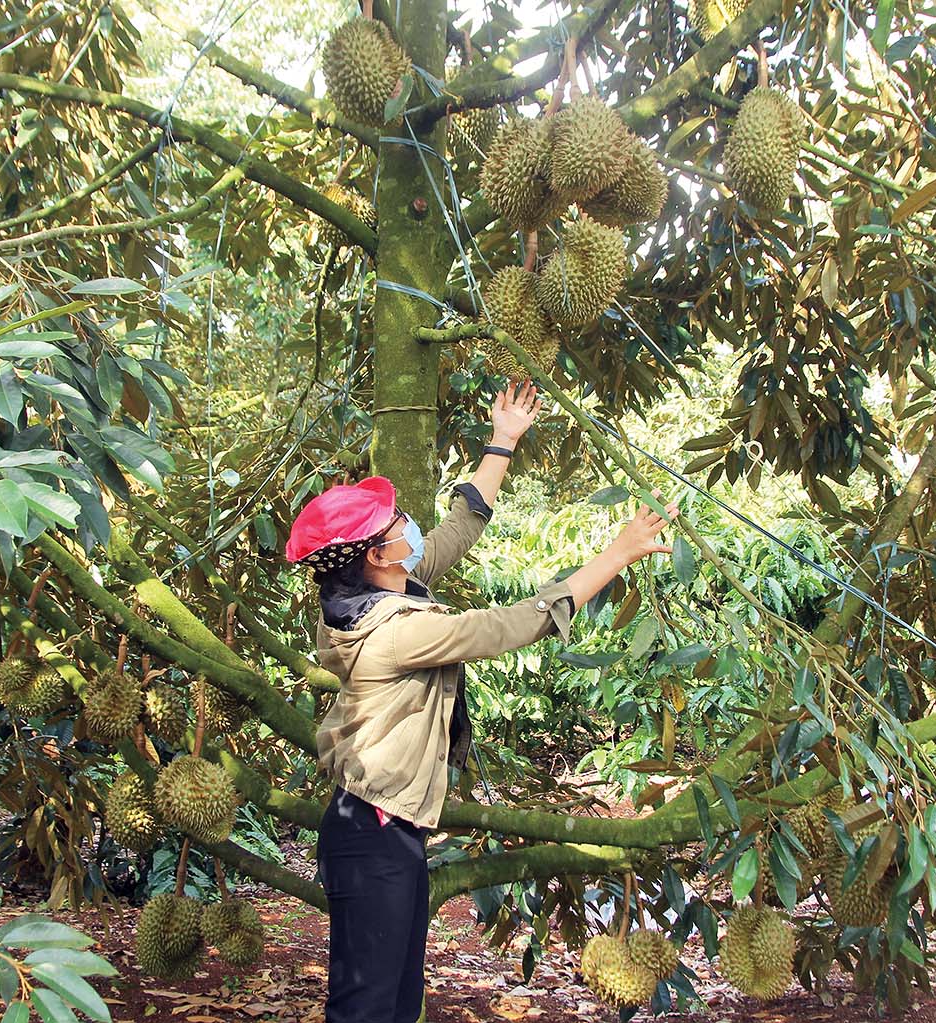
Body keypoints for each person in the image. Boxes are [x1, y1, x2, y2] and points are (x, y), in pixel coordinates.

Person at [284, 382, 680, 1023]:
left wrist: (504, 439)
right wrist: (616, 554)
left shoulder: (382, 590)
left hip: (390, 829)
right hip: (372, 834)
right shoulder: (395, 632)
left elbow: (459, 524)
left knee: (397, 1000)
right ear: (374, 555)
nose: (409, 527)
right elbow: (507, 626)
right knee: (366, 1007)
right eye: (395, 526)